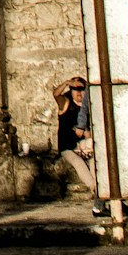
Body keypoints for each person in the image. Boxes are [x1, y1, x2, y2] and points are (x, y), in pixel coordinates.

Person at [53, 76, 106, 217]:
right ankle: (98, 193)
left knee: (97, 167)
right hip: (68, 147)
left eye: (82, 90)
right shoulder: (66, 103)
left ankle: (102, 196)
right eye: (76, 89)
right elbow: (55, 94)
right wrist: (66, 82)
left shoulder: (87, 106)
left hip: (85, 147)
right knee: (79, 164)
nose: (79, 93)